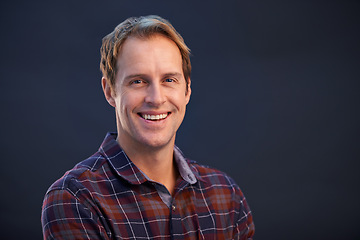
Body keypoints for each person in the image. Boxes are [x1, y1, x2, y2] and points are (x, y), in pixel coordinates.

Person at [41, 15, 255, 240]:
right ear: (109, 91)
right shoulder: (75, 199)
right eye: (138, 81)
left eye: (169, 80)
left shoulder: (226, 195)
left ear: (187, 90)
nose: (156, 98)